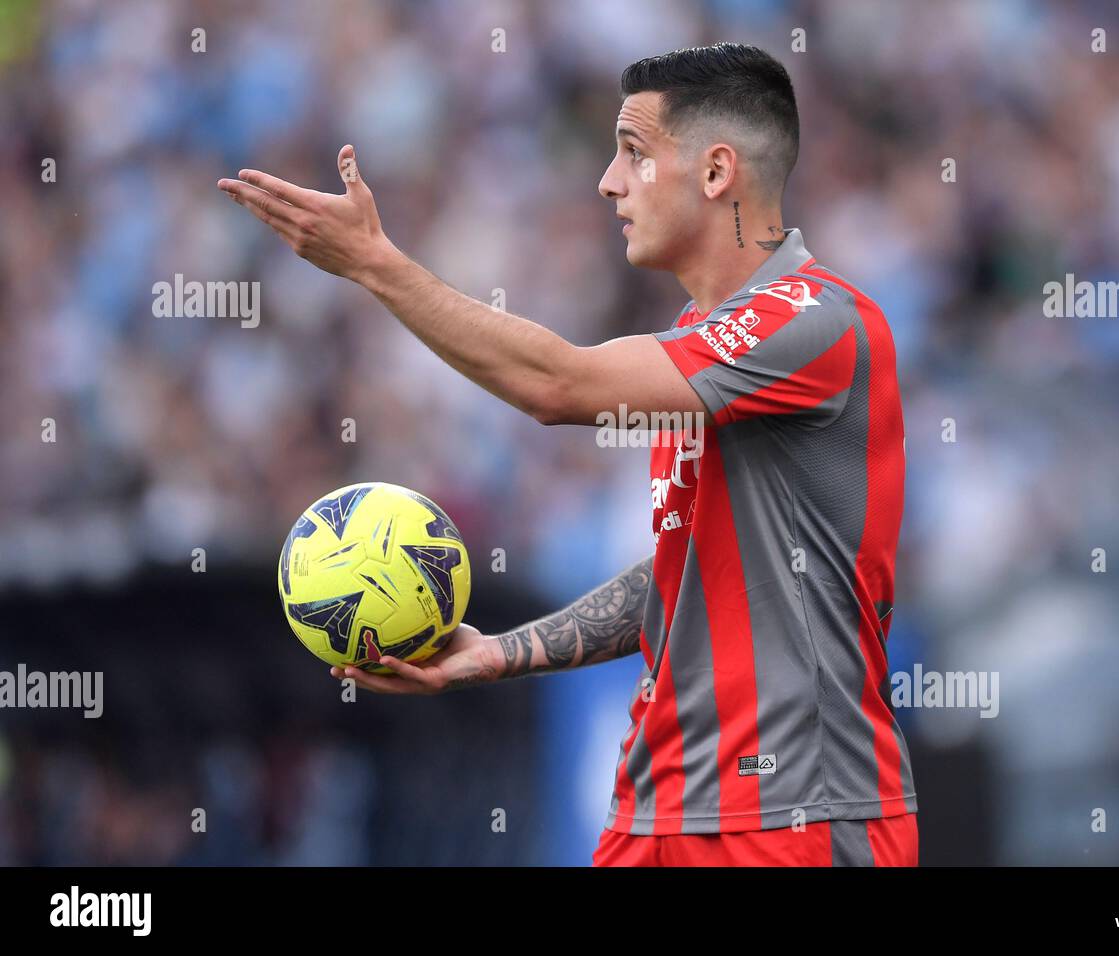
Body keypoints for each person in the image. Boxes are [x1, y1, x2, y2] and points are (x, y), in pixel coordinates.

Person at [218, 42, 917, 867]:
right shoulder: (697, 347)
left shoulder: (817, 322)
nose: (608, 183)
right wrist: (499, 653)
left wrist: (379, 266)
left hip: (791, 814)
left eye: (633, 154)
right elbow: (680, 573)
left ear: (718, 171)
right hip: (655, 811)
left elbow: (559, 386)